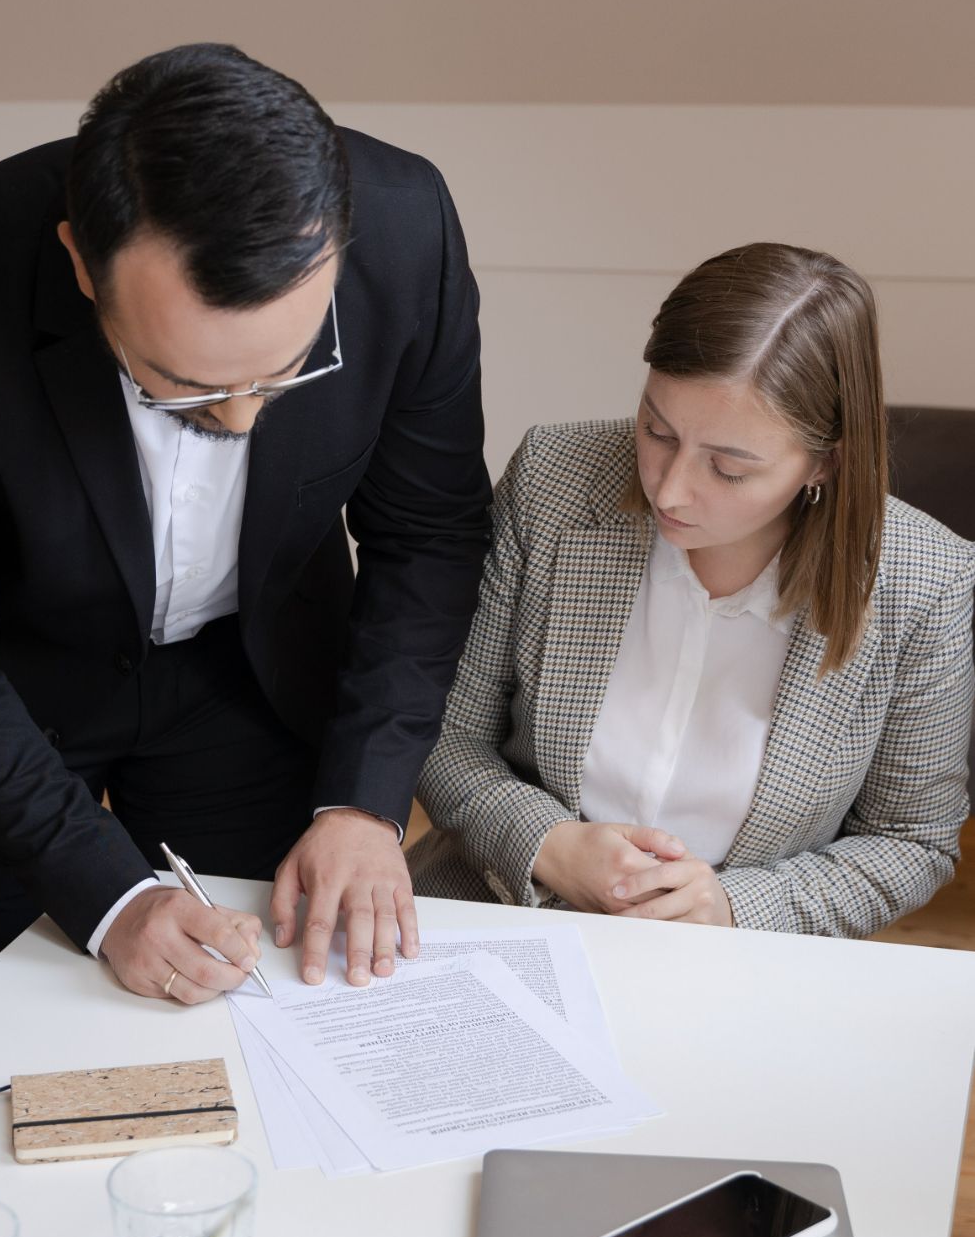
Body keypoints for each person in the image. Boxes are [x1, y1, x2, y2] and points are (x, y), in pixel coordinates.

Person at [0, 43, 491, 1008]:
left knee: (257, 1013)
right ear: (83, 263)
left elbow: (430, 533)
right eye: (187, 388)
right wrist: (113, 899)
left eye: (281, 374)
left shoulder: (409, 234)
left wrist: (365, 801)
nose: (242, 419)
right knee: (16, 1045)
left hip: (250, 677)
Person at [410, 243, 974, 935]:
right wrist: (549, 845)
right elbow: (444, 727)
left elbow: (910, 840)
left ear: (825, 460)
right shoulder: (552, 478)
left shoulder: (926, 581)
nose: (669, 489)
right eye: (657, 429)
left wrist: (733, 907)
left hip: (737, 967)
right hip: (491, 911)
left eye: (730, 468)